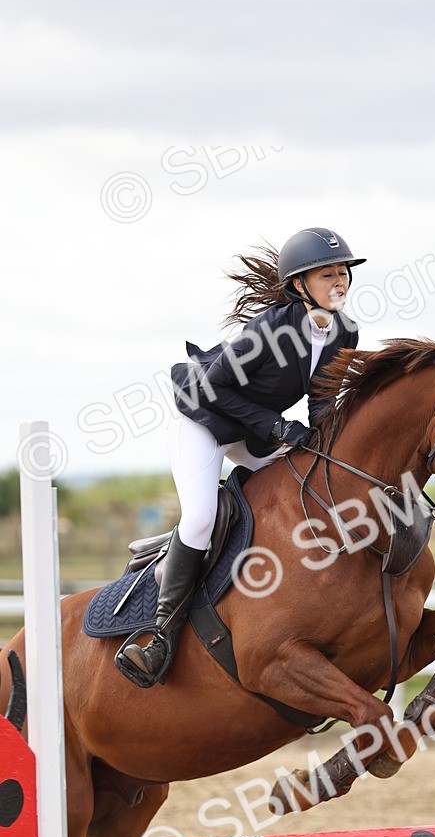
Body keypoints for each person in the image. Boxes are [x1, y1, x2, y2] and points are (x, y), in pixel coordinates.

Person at [117, 227, 365, 688]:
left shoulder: (344, 330)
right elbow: (215, 387)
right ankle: (159, 637)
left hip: (254, 433)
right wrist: (276, 427)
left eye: (343, 273)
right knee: (199, 519)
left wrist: (327, 441)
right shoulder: (271, 328)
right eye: (327, 274)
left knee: (300, 485)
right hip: (205, 423)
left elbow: (321, 398)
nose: (339, 282)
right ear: (299, 285)